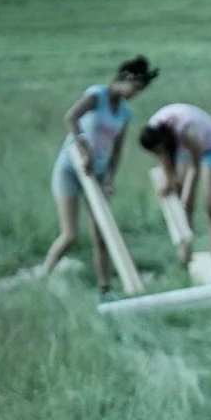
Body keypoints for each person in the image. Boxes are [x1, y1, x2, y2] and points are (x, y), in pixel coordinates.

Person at [39, 58, 156, 292]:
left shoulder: (125, 112)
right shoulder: (97, 95)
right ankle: (43, 276)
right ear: (126, 78)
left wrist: (110, 177)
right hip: (71, 167)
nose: (135, 94)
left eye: (139, 91)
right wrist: (83, 149)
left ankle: (105, 286)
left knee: (101, 233)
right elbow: (70, 118)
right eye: (135, 88)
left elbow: (117, 149)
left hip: (97, 173)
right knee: (70, 234)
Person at [137, 102, 211, 269]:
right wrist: (168, 181)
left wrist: (187, 196)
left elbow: (195, 167)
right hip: (179, 147)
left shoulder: (188, 131)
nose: (158, 153)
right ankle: (185, 260)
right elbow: (163, 155)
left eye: (159, 149)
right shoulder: (154, 129)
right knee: (183, 207)